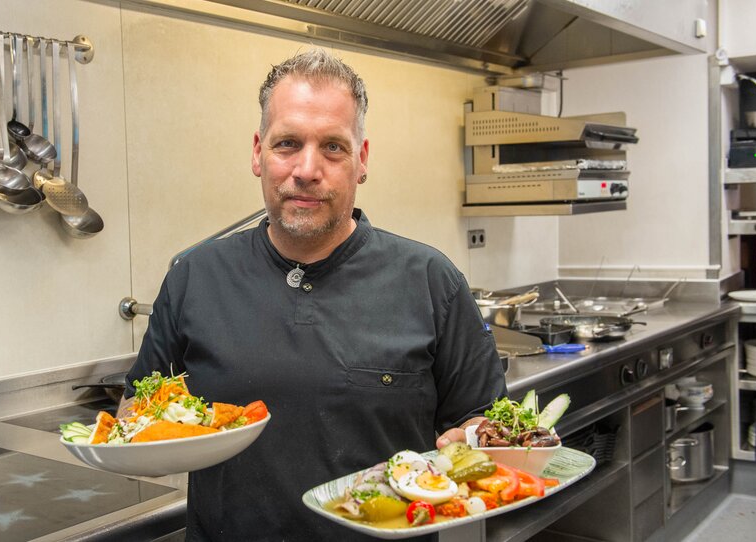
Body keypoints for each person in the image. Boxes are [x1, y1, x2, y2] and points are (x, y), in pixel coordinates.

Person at [124, 48, 507, 541]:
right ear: (258, 153)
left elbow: (487, 422)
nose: (307, 169)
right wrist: (147, 429)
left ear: (361, 160)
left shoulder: (432, 281)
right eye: (287, 143)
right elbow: (136, 409)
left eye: (333, 147)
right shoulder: (194, 276)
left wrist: (471, 442)